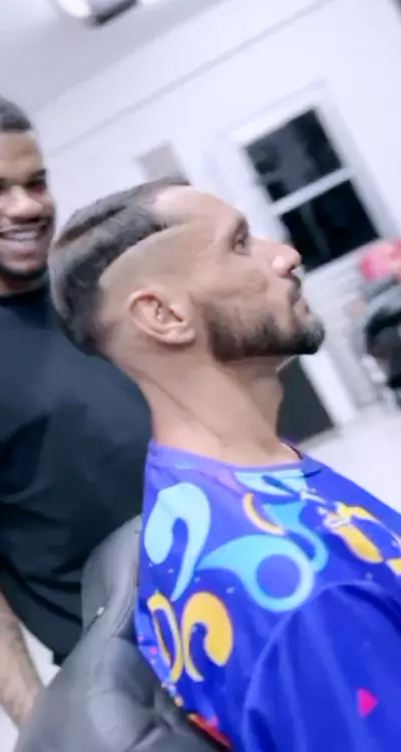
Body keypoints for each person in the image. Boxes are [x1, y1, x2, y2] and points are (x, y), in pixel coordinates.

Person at [50, 181, 401, 751]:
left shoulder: (188, 485)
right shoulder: (307, 596)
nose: (286, 256)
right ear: (164, 315)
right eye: (239, 244)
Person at [0, 92, 151, 727]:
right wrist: (46, 732)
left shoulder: (95, 292)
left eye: (36, 182)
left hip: (243, 605)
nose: (25, 206)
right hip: (130, 680)